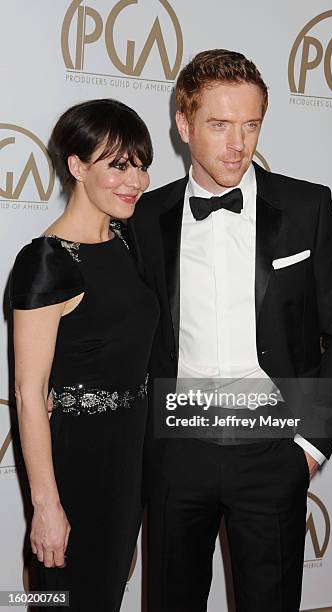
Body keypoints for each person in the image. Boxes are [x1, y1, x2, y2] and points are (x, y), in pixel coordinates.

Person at [130, 50, 332, 611]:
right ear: (183, 126)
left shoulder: (307, 207)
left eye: (251, 124)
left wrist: (309, 446)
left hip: (273, 446)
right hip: (176, 450)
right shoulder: (145, 217)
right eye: (219, 125)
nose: (238, 144)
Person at [10, 98, 159, 612]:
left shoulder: (127, 239)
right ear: (76, 166)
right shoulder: (46, 263)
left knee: (105, 594)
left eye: (140, 164)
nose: (134, 180)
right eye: (117, 164)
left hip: (127, 460)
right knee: (63, 600)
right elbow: (29, 395)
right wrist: (46, 506)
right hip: (74, 466)